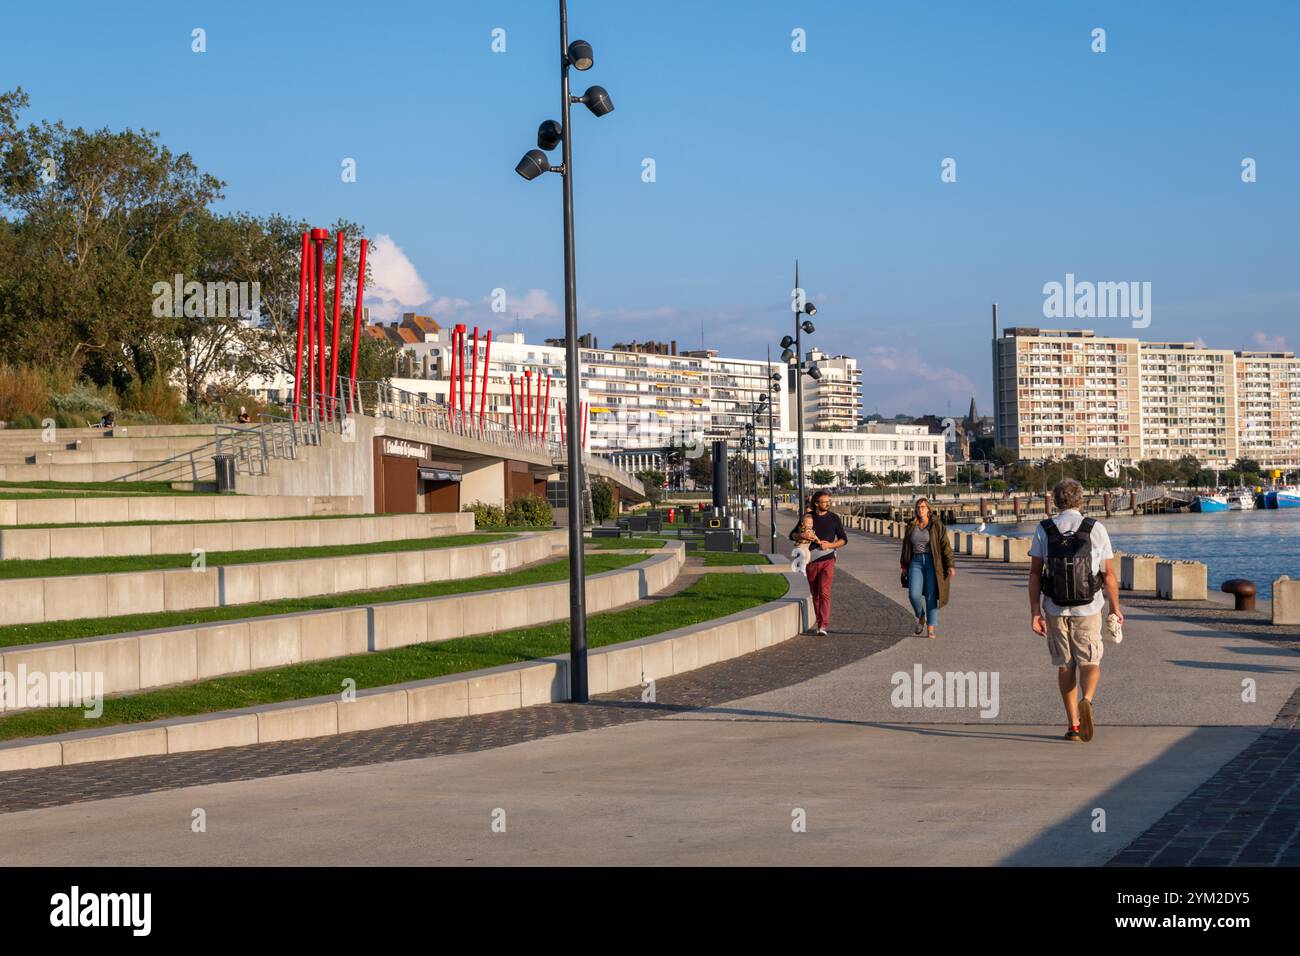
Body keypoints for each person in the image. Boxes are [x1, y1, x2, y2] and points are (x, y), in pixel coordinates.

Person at [1028, 478, 1124, 743]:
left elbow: (1035, 574)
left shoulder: (1044, 528)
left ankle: (1073, 725)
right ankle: (1088, 699)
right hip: (1088, 606)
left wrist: (1035, 612)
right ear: (1081, 500)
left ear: (1055, 501)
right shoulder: (1095, 528)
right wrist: (1115, 608)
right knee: (1091, 662)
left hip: (1055, 608)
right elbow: (1109, 574)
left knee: (1065, 665)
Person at [788, 490, 847, 636]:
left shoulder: (834, 518)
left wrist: (830, 546)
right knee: (815, 594)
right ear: (816, 503)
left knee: (824, 592)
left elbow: (843, 539)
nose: (827, 504)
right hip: (811, 560)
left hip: (828, 559)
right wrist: (802, 535)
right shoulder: (808, 518)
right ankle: (819, 621)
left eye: (828, 501)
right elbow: (792, 535)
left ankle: (822, 626)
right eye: (824, 502)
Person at [899, 496, 955, 638]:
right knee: (913, 594)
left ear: (928, 509)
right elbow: (905, 546)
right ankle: (921, 616)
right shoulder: (912, 525)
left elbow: (945, 545)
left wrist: (950, 565)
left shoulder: (936, 525)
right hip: (915, 562)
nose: (920, 509)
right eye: (918, 507)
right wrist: (904, 565)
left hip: (932, 563)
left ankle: (931, 628)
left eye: (923, 507)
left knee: (931, 596)